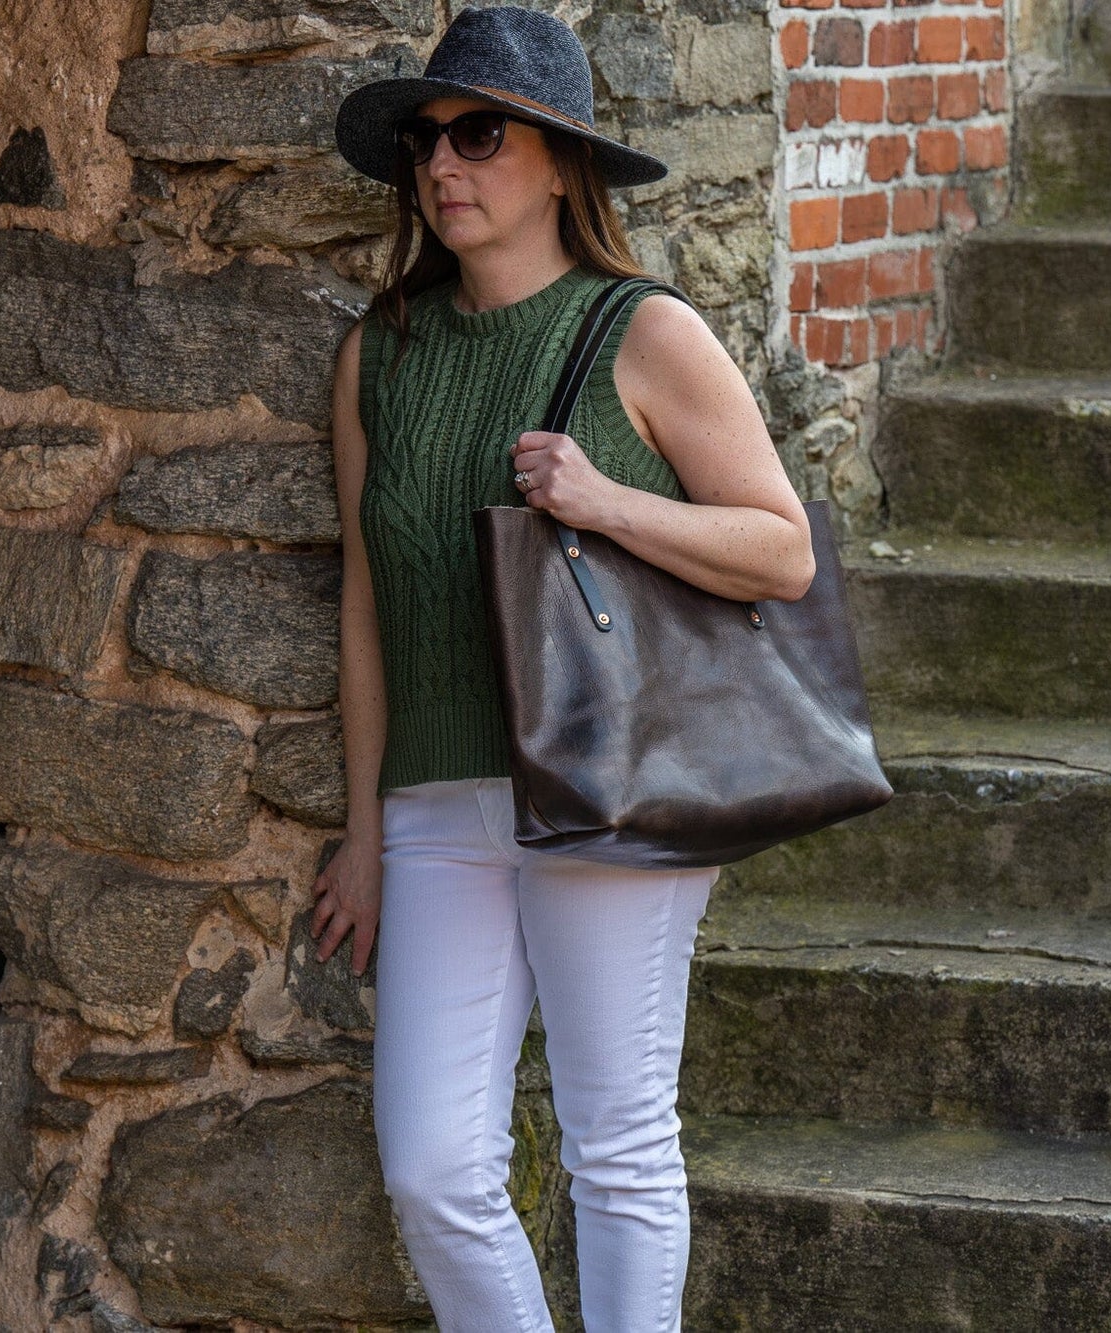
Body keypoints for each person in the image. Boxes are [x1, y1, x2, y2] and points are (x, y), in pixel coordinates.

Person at [313, 7, 814, 1329]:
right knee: (431, 1168)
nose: (443, 164)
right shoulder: (380, 354)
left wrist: (605, 501)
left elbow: (782, 551)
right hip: (438, 806)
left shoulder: (643, 331)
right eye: (427, 140)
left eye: (479, 134)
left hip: (609, 785)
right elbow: (367, 599)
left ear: (560, 163)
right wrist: (364, 831)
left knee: (618, 1144)